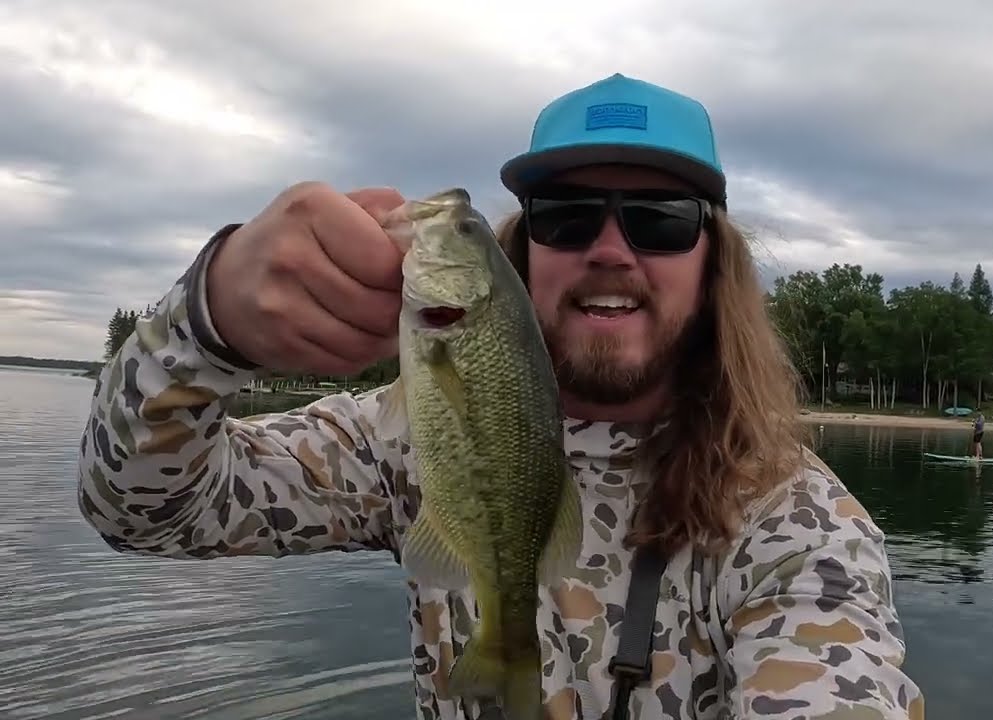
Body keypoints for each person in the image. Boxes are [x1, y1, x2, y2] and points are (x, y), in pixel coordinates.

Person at [75, 72, 924, 720]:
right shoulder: (394, 442)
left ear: (714, 262)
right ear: (521, 251)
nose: (610, 249)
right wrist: (207, 322)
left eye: (660, 218)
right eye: (565, 214)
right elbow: (144, 514)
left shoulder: (798, 524)